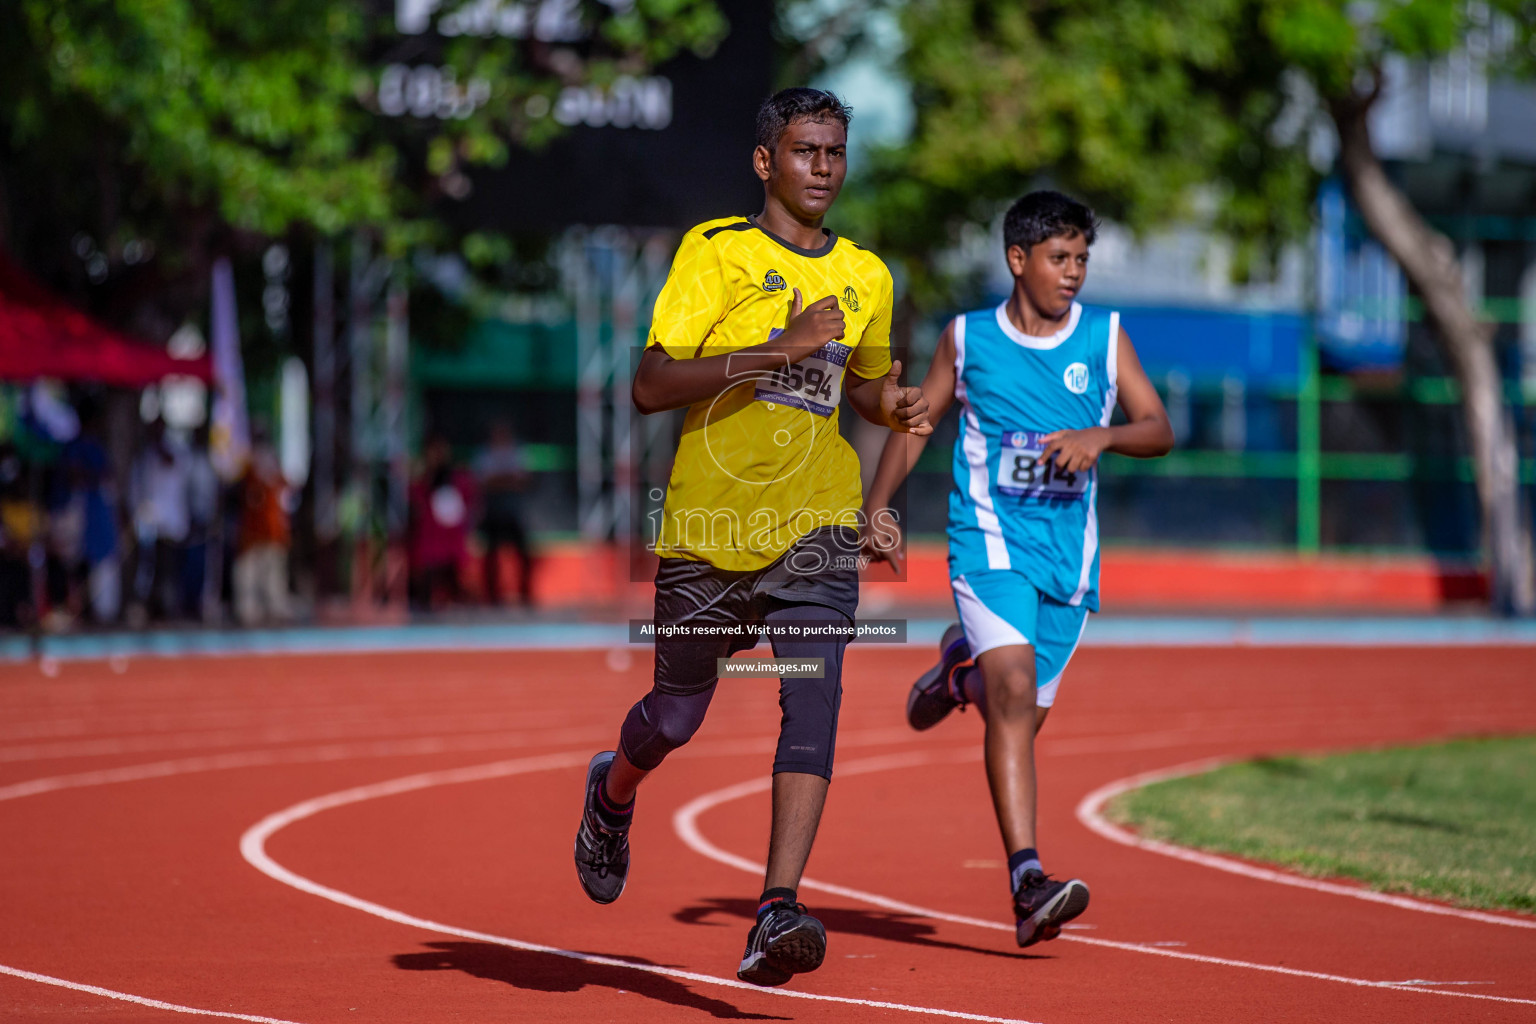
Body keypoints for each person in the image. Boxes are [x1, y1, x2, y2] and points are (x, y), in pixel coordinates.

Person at [573, 87, 930, 987]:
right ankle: (612, 791)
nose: (824, 168)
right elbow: (650, 385)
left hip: (816, 523)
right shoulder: (716, 253)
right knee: (676, 718)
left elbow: (863, 389)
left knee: (813, 693)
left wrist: (898, 402)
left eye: (837, 151)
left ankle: (777, 910)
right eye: (807, 151)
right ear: (767, 162)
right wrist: (779, 345)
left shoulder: (869, 275)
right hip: (709, 525)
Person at [862, 190, 1173, 947]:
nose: (1074, 274)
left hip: (1068, 562)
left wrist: (1101, 439)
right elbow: (919, 422)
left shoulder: (1104, 338)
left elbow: (1158, 428)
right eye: (1060, 259)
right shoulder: (967, 339)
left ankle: (952, 675)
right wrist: (877, 506)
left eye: (1082, 260)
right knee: (1012, 688)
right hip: (988, 541)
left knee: (1018, 719)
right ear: (1018, 260)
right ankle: (1028, 880)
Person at [408, 434, 476, 610]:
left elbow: (467, 500)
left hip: (450, 531)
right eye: (434, 451)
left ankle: (457, 598)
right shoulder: (423, 476)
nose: (438, 454)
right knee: (427, 560)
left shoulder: (457, 476)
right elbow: (415, 498)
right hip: (430, 530)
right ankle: (424, 599)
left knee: (452, 564)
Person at [474, 420, 535, 607]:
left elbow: (524, 481)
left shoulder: (518, 451)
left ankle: (525, 594)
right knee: (491, 556)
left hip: (513, 513)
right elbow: (483, 483)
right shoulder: (484, 453)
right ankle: (492, 597)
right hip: (492, 513)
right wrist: (508, 479)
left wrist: (498, 480)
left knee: (524, 554)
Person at [233, 430, 291, 626]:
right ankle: (249, 610)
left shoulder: (275, 472)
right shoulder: (247, 468)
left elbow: (285, 493)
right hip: (251, 532)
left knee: (273, 572)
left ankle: (275, 607)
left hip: (273, 532)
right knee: (249, 573)